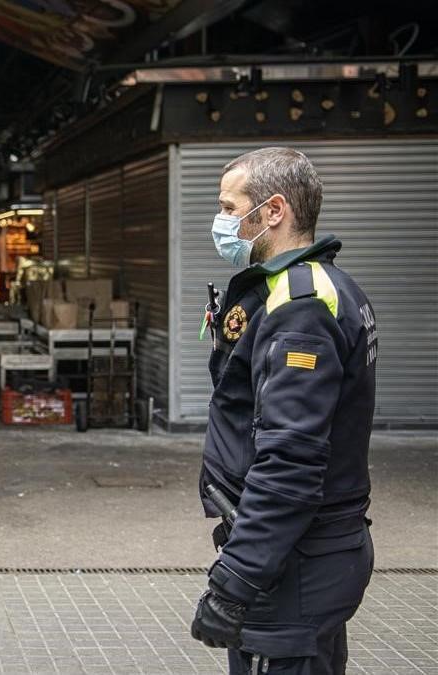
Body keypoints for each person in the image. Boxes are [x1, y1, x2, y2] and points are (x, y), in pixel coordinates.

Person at [190, 148, 377, 675]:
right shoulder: (322, 287)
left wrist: (236, 581)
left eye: (231, 208)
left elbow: (290, 460)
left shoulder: (302, 306)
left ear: (273, 211)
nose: (222, 222)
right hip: (305, 553)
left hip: (295, 562)